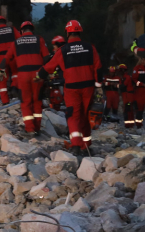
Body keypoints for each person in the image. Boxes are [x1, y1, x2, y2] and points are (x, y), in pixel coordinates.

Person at [39, 20, 102, 153]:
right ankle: (86, 144)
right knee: (84, 114)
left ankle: (75, 145)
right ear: (80, 31)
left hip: (72, 88)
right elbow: (98, 67)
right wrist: (98, 85)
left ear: (67, 33)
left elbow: (49, 67)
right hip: (88, 86)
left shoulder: (63, 50)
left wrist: (39, 75)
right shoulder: (90, 47)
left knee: (73, 115)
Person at [13, 21, 50, 133]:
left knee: (25, 101)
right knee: (37, 101)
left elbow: (7, 58)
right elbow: (47, 57)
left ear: (22, 31)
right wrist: (44, 73)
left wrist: (1, 69)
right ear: (32, 30)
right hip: (38, 75)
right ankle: (37, 128)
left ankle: (30, 129)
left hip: (23, 75)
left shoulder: (16, 42)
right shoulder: (39, 39)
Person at [129, 50, 145, 130]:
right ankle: (139, 126)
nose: (143, 61)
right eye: (142, 59)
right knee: (139, 109)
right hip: (140, 91)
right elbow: (134, 80)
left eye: (144, 60)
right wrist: (142, 84)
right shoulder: (137, 69)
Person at [47, 36, 66, 111]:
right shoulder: (55, 54)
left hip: (63, 77)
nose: (54, 48)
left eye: (54, 45)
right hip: (59, 76)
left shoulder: (59, 53)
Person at [118, 63, 135, 128]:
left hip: (128, 96)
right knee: (128, 110)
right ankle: (129, 124)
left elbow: (123, 86)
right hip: (127, 95)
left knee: (127, 110)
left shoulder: (126, 77)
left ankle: (128, 125)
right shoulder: (126, 77)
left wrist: (117, 85)